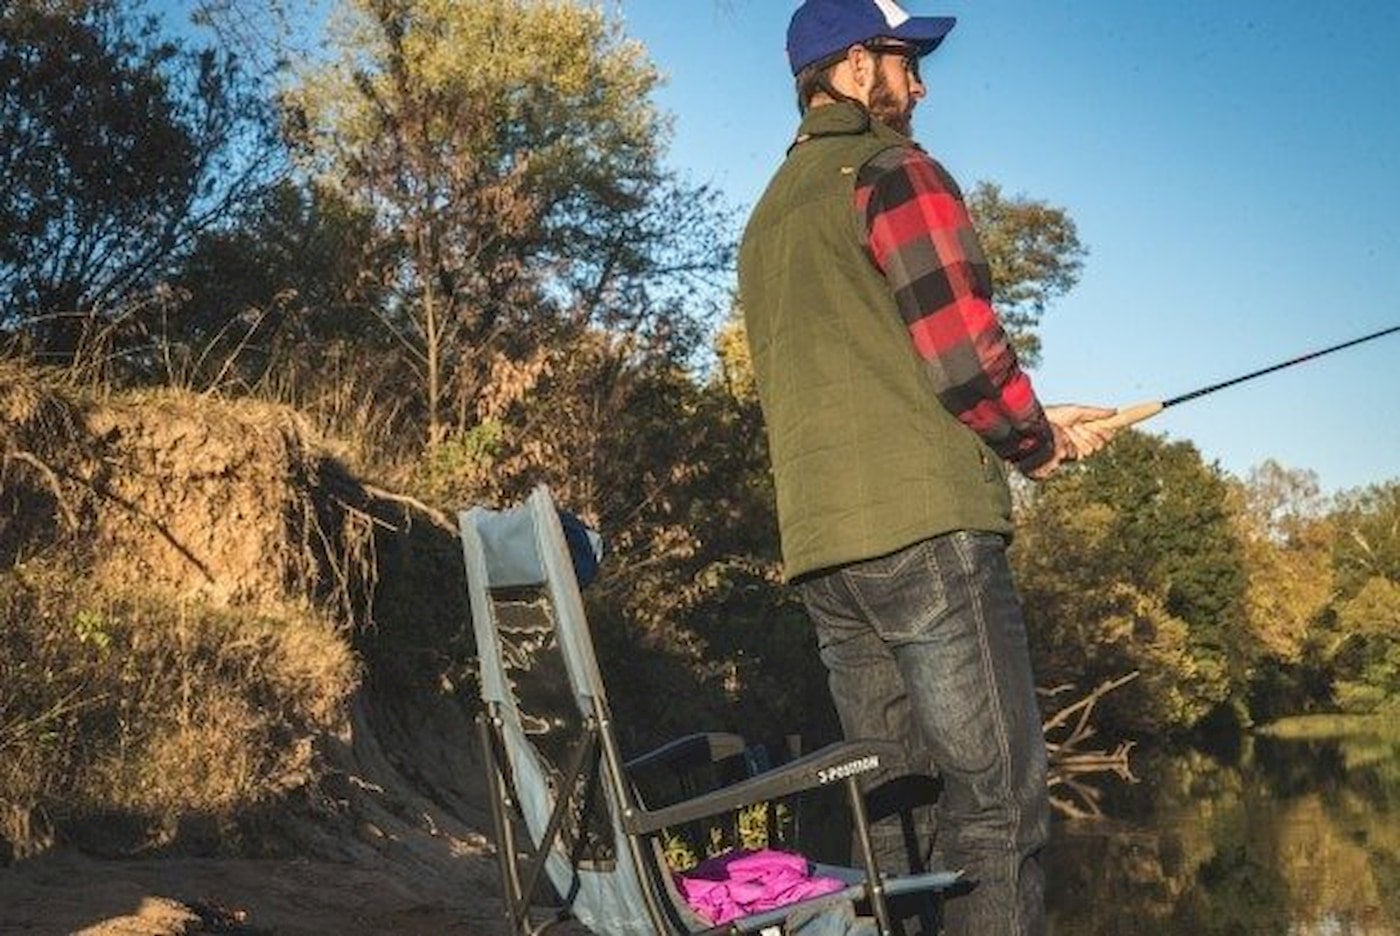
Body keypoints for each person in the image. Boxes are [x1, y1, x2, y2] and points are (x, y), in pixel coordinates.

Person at [736, 2, 1118, 934]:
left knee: (897, 819)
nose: (922, 83)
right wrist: (1038, 442)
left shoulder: (768, 220)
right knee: (995, 810)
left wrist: (1033, 414)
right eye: (908, 62)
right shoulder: (894, 172)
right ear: (855, 67)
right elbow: (964, 357)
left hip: (828, 559)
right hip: (930, 544)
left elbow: (873, 372)